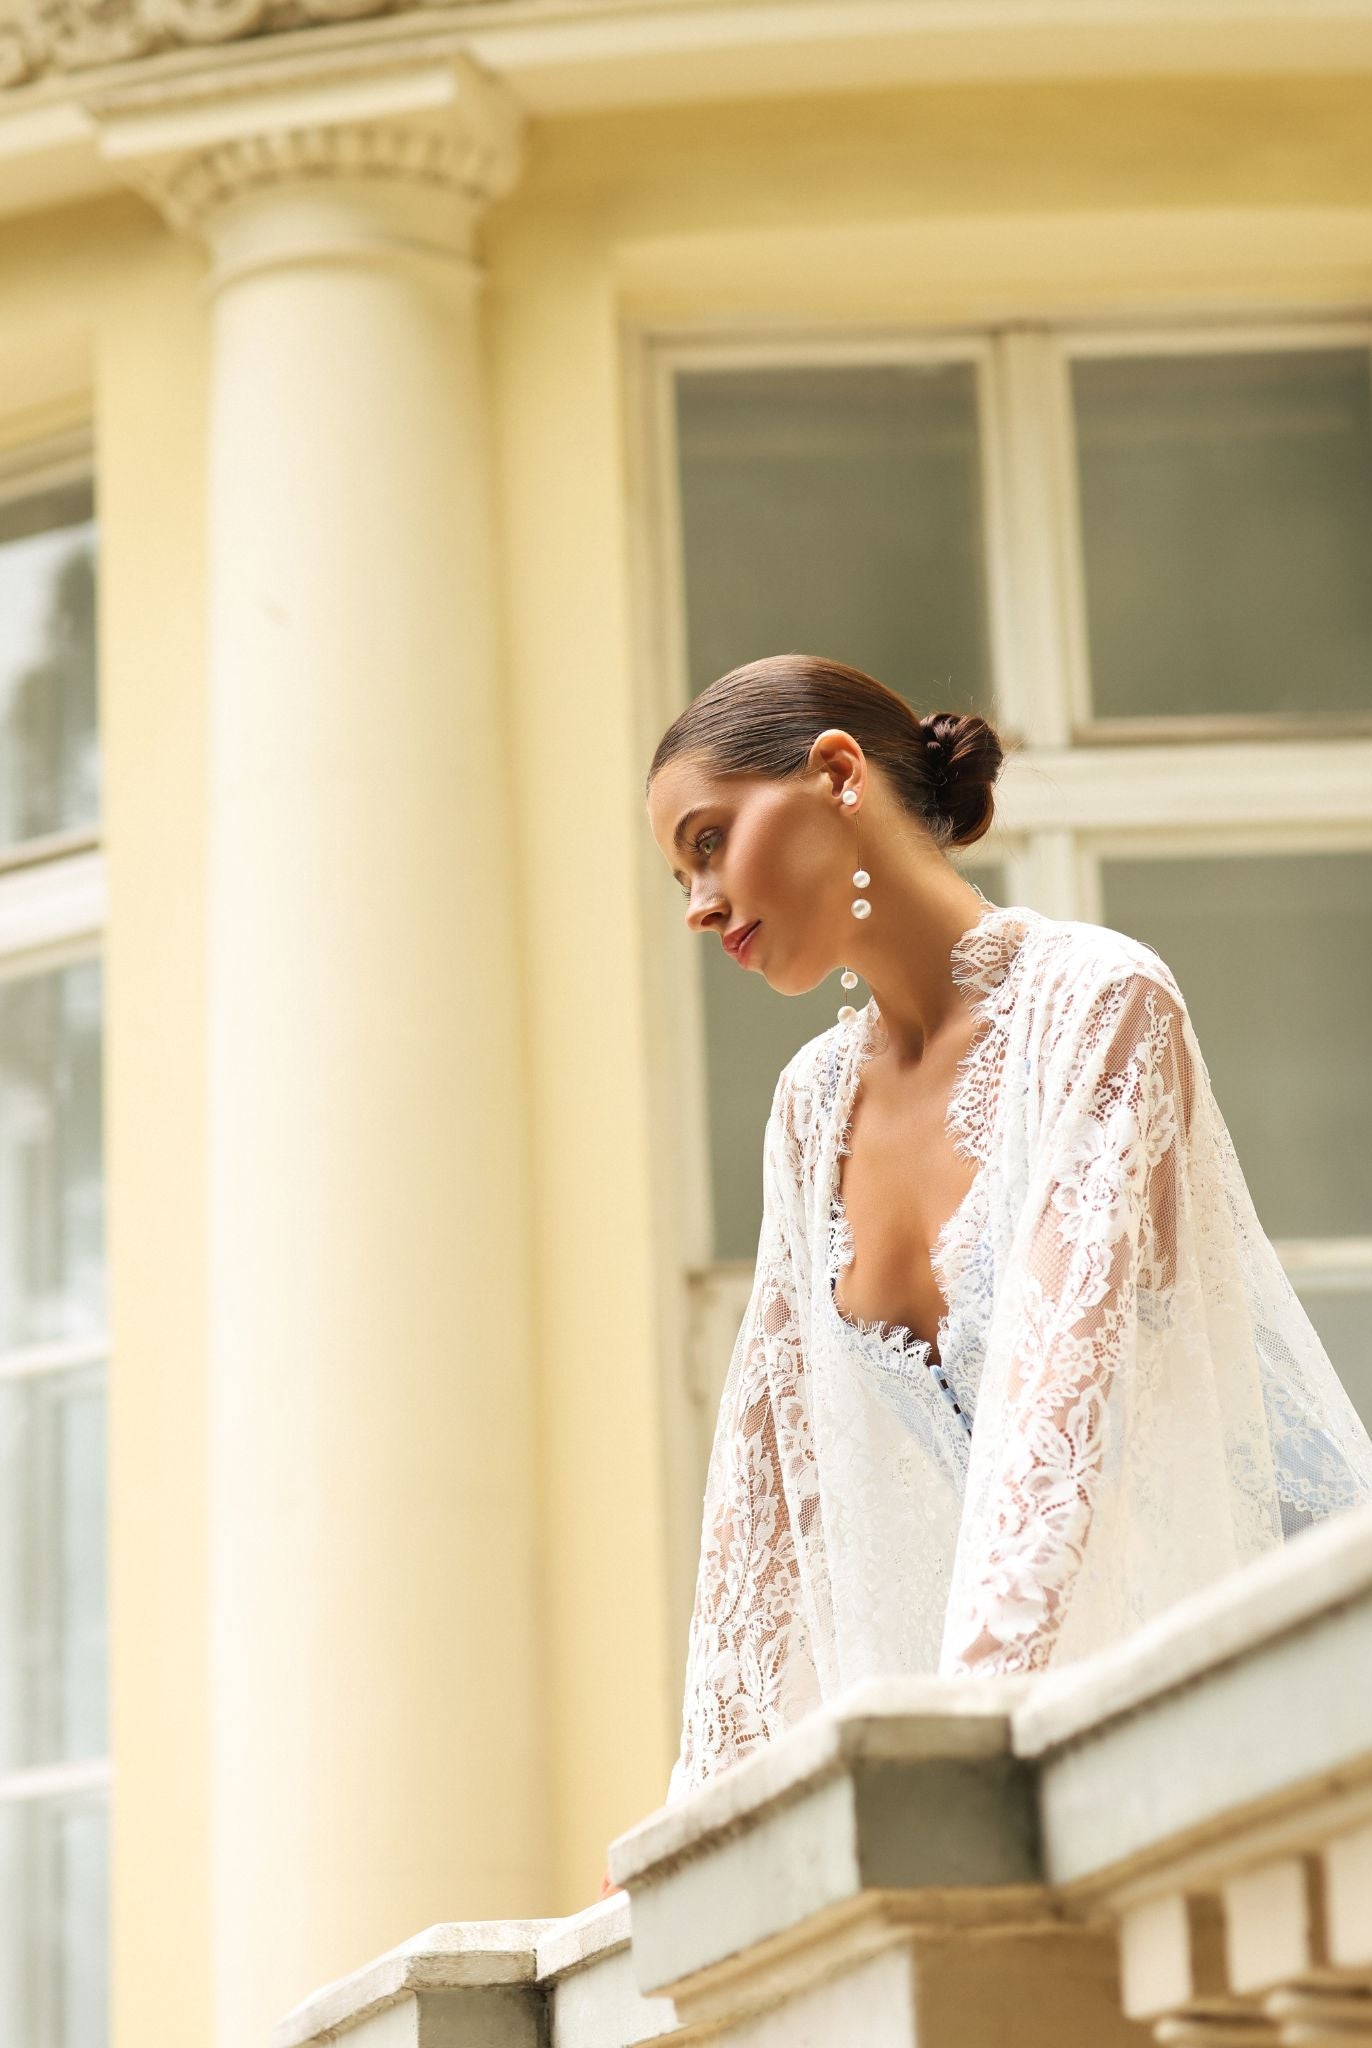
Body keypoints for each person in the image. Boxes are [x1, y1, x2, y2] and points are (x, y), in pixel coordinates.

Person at [632, 651, 1372, 1812]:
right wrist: (691, 1816)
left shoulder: (1099, 1001)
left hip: (1267, 1677)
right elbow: (764, 1481)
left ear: (835, 773)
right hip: (1043, 1735)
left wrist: (961, 1745)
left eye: (711, 838)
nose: (698, 903)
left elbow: (1051, 1404)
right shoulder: (809, 1105)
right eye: (680, 870)